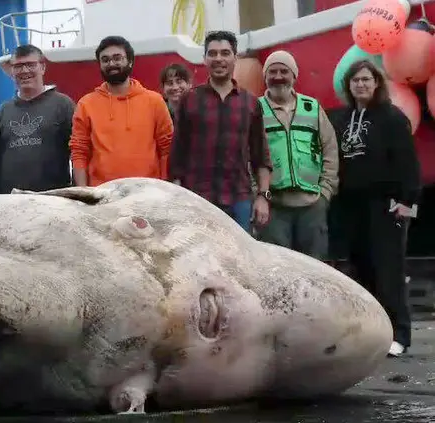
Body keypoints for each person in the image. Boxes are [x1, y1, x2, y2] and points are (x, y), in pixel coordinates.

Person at [328, 59, 421, 358]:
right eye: (355, 80)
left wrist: (408, 205)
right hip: (350, 206)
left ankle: (400, 334)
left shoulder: (393, 118)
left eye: (366, 79)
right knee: (361, 268)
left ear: (377, 82)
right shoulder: (339, 119)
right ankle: (372, 333)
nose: (361, 85)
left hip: (388, 206)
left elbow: (409, 165)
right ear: (348, 85)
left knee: (389, 269)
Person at [170, 30, 272, 233]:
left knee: (238, 253)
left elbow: (261, 156)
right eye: (212, 53)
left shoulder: (250, 103)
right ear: (204, 59)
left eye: (225, 53)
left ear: (235, 58)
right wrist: (178, 199)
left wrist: (263, 196)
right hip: (198, 199)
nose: (218, 59)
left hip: (239, 200)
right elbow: (177, 156)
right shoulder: (189, 100)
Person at [254, 51, 339, 260]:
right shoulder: (255, 109)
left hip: (312, 206)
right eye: (272, 71)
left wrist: (325, 193)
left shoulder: (312, 108)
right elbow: (246, 154)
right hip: (273, 207)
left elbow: (330, 149)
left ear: (294, 76)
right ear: (265, 76)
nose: (278, 76)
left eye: (284, 71)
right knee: (276, 266)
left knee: (315, 268)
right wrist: (257, 194)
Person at [69, 35, 173, 187]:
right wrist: (83, 192)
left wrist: (164, 188)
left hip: (148, 192)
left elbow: (167, 148)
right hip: (102, 193)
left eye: (117, 58)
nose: (111, 64)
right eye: (105, 60)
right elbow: (79, 152)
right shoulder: (86, 104)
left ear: (130, 61)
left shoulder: (155, 101)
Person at [0, 44, 75, 195]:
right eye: (18, 66)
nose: (24, 70)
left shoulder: (63, 105)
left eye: (30, 65)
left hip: (53, 200)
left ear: (42, 67)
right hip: (10, 201)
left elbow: (79, 154)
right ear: (12, 71)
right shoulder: (3, 111)